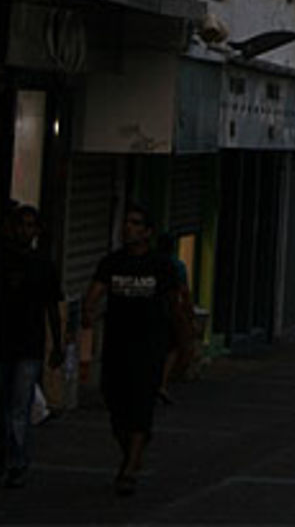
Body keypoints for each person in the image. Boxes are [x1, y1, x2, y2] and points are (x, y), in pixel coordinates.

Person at [81, 203, 178, 496]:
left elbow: (175, 304)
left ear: (148, 232)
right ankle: (130, 451)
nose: (128, 228)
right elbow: (94, 294)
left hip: (148, 347)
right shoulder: (113, 262)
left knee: (141, 406)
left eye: (136, 224)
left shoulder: (161, 265)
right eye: (127, 223)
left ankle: (130, 467)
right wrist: (88, 312)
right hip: (116, 347)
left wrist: (177, 346)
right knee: (116, 407)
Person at [0, 204, 63, 488]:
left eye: (31, 226)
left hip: (28, 345)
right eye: (21, 225)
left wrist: (57, 344)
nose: (25, 231)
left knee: (20, 405)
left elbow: (53, 306)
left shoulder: (42, 265)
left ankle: (17, 460)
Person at [156, 232, 196, 402]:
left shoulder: (150, 262)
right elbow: (183, 291)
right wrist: (189, 311)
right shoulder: (176, 265)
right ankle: (162, 384)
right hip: (169, 309)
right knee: (172, 346)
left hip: (150, 309)